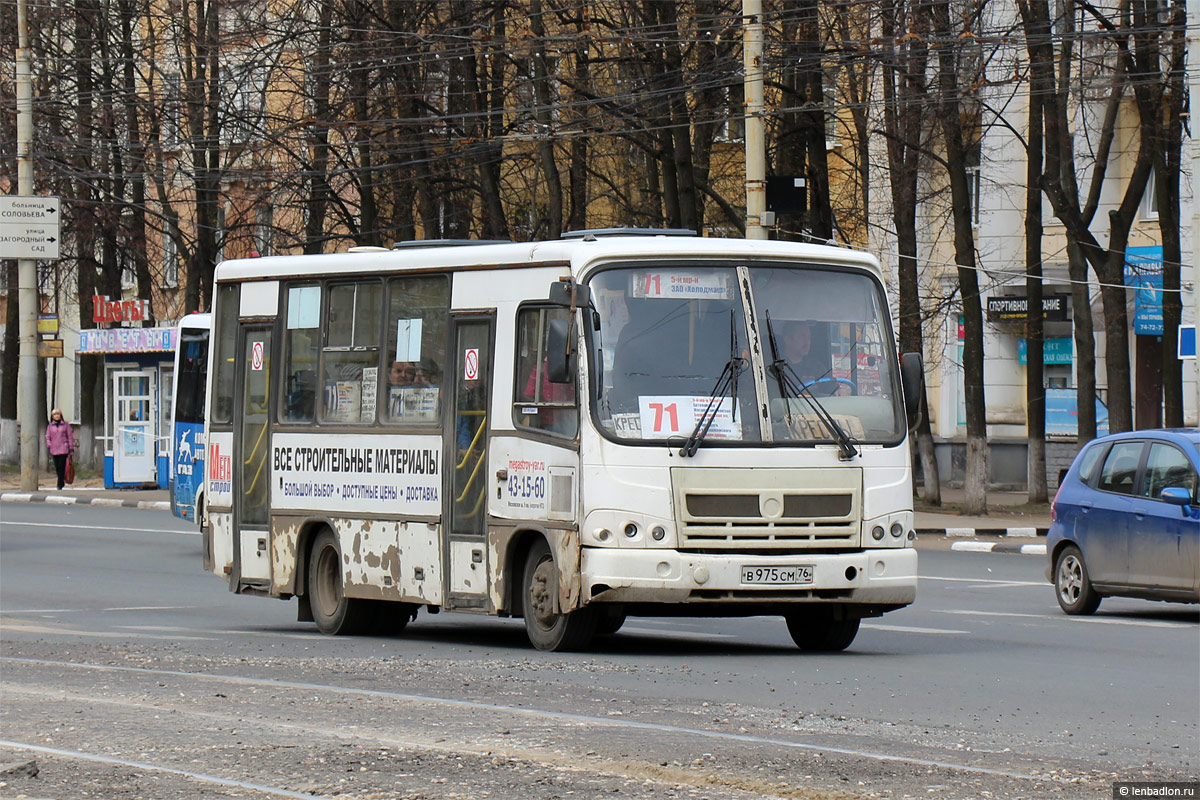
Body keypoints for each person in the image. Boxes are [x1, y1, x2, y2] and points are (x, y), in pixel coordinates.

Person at [45, 408, 74, 490]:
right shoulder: (50, 426)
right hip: (54, 449)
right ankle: (61, 481)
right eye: (55, 415)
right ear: (52, 416)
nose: (56, 416)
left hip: (63, 449)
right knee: (57, 467)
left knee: (62, 466)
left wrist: (71, 447)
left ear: (60, 415)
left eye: (58, 414)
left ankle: (59, 483)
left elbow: (70, 437)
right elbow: (47, 437)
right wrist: (49, 444)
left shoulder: (65, 425)